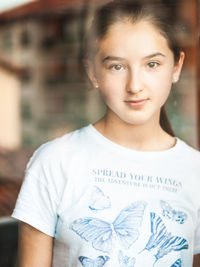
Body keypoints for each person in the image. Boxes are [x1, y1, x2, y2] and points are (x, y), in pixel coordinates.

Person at [12, 0, 200, 266]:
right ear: (92, 71)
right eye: (117, 67)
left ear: (176, 67)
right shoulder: (55, 162)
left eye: (152, 65)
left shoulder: (195, 171)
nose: (135, 86)